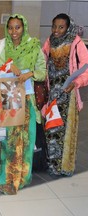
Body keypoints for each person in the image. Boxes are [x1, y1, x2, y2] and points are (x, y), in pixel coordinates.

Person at [0, 14, 47, 195]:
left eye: (18, 27)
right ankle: (9, 175)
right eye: (11, 28)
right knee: (11, 138)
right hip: (10, 95)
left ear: (24, 28)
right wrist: (8, 66)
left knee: (27, 138)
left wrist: (29, 73)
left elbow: (42, 72)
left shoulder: (33, 46)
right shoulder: (2, 47)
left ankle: (23, 175)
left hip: (28, 97)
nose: (14, 32)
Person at [42, 13, 88, 177]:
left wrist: (76, 83)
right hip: (52, 94)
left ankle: (65, 166)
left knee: (66, 130)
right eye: (54, 26)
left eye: (61, 27)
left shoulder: (76, 43)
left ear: (68, 27)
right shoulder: (49, 42)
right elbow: (42, 61)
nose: (56, 30)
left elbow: (85, 67)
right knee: (52, 129)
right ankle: (53, 165)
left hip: (69, 94)